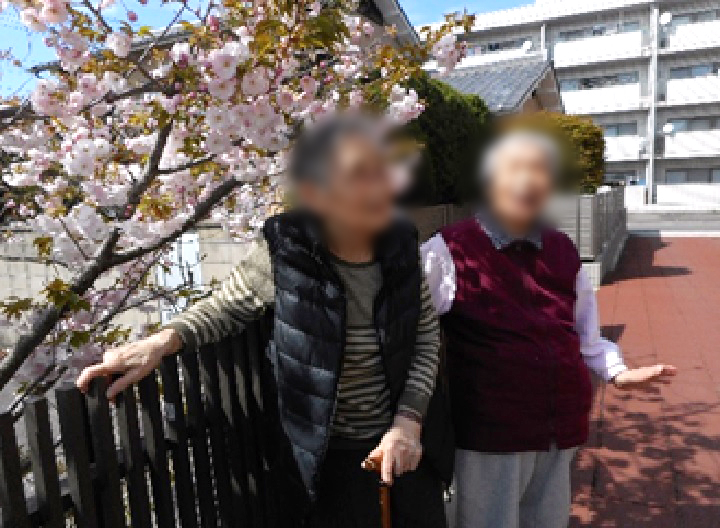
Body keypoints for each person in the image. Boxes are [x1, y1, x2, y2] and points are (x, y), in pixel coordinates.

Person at [77, 117, 453, 528]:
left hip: (406, 443)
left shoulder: (401, 243)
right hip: (329, 453)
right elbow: (226, 307)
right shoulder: (286, 250)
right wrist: (162, 341)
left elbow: (425, 334)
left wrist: (407, 423)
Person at [421, 131, 676, 528]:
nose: (527, 181)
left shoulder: (561, 248)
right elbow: (412, 331)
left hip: (561, 428)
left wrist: (617, 372)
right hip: (492, 433)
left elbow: (585, 333)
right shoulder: (450, 249)